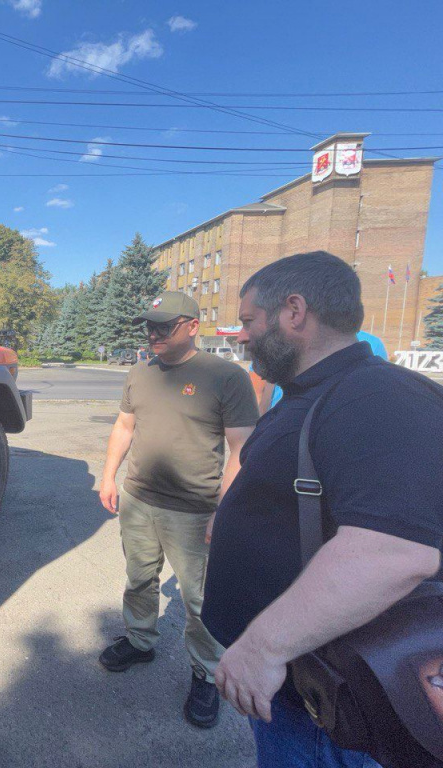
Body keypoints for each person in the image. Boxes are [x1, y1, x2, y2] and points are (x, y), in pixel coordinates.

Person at [202, 251, 443, 767]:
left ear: (294, 311)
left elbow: (393, 552)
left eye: (247, 321)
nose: (240, 336)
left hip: (325, 694)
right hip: (297, 683)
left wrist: (264, 648)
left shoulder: (377, 396)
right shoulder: (314, 392)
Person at [98, 291, 258, 728]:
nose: (153, 334)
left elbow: (242, 448)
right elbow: (125, 425)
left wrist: (224, 508)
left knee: (199, 599)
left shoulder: (225, 377)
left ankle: (206, 673)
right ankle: (140, 639)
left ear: (192, 326)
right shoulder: (140, 371)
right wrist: (109, 476)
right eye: (149, 325)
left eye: (163, 326)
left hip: (194, 511)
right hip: (139, 499)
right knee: (139, 577)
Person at [254, 329, 388, 416]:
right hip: (282, 419)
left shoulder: (372, 343)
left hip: (333, 422)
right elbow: (259, 390)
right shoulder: (282, 336)